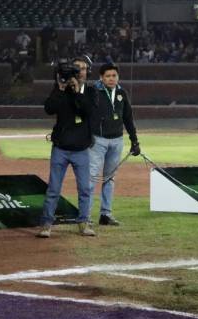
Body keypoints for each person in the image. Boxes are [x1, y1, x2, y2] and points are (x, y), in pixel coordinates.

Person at [36, 55, 95, 238]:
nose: (79, 72)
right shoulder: (60, 89)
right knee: (53, 189)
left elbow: (89, 112)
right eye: (76, 68)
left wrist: (78, 92)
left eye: (83, 69)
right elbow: (49, 108)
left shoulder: (91, 92)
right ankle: (46, 224)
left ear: (87, 72)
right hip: (61, 148)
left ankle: (84, 223)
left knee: (85, 189)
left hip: (81, 149)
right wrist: (61, 89)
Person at [88, 62, 140, 226]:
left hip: (117, 140)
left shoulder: (121, 93)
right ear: (101, 78)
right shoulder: (93, 92)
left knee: (109, 179)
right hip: (97, 141)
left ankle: (106, 214)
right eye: (108, 76)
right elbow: (87, 116)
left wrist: (134, 140)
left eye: (114, 76)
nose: (111, 79)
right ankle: (85, 216)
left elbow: (128, 118)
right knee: (91, 178)